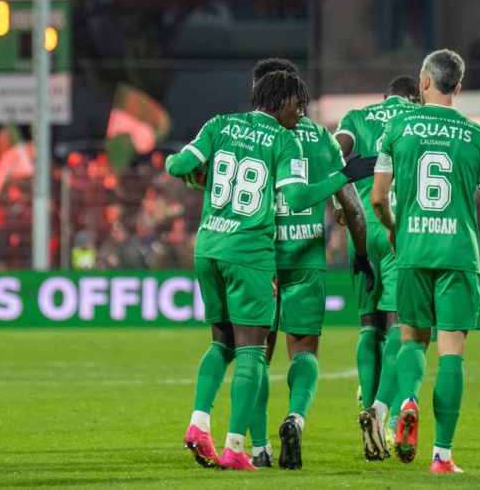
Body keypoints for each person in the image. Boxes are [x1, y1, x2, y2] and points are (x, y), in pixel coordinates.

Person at [166, 70, 376, 471]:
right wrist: (345, 178)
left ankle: (245, 440)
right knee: (275, 351)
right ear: (281, 100)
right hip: (271, 256)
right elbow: (305, 197)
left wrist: (200, 179)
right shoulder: (298, 139)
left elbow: (179, 166)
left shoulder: (220, 124)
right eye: (298, 104)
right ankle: (250, 439)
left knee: (224, 344)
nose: (301, 111)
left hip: (211, 246)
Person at [370, 49, 480, 473]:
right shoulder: (477, 136)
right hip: (458, 254)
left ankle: (408, 401)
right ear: (458, 87)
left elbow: (379, 198)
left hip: (413, 250)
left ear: (423, 81)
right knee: (452, 350)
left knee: (412, 339)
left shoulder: (397, 126)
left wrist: (395, 229)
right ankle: (442, 456)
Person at [244, 59, 371, 470]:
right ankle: (295, 417)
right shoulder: (321, 138)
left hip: (260, 258)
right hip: (307, 259)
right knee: (305, 351)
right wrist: (362, 254)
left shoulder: (247, 137)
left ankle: (259, 447)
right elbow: (351, 205)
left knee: (256, 355)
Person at [333, 75, 423, 461]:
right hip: (399, 229)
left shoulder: (356, 116)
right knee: (402, 327)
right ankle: (382, 412)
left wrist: (341, 201)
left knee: (369, 326)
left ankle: (367, 407)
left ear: (384, 95)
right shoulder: (419, 119)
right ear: (413, 96)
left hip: (362, 228)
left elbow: (331, 152)